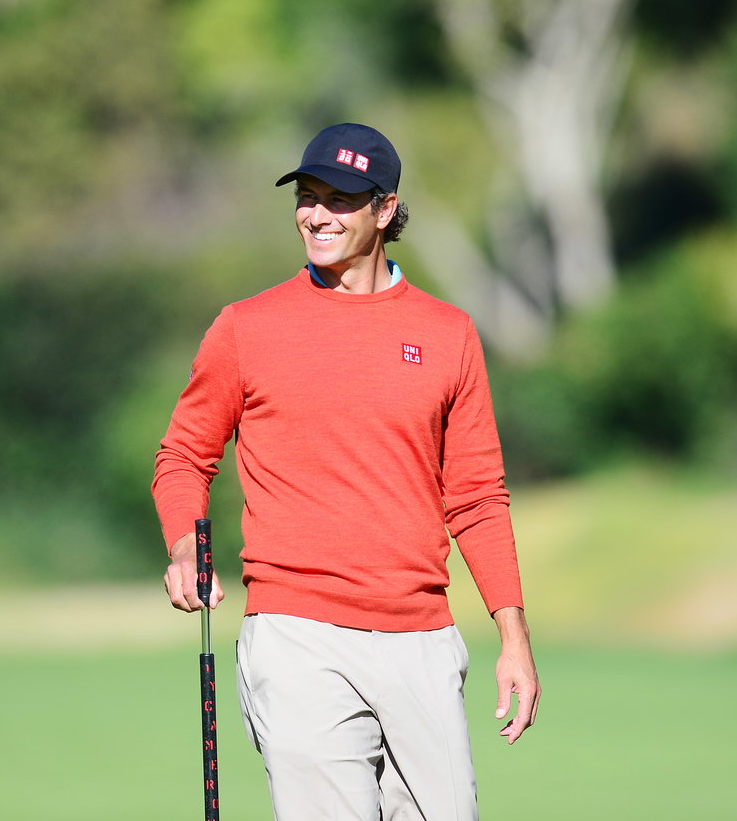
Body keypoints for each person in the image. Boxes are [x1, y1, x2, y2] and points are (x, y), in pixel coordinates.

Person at [153, 122, 540, 821]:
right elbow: (184, 456)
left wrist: (512, 637)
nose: (318, 214)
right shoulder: (246, 328)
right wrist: (186, 542)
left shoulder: (449, 334)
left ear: (385, 210)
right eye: (308, 196)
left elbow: (479, 497)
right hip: (298, 635)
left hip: (421, 637)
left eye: (341, 199)